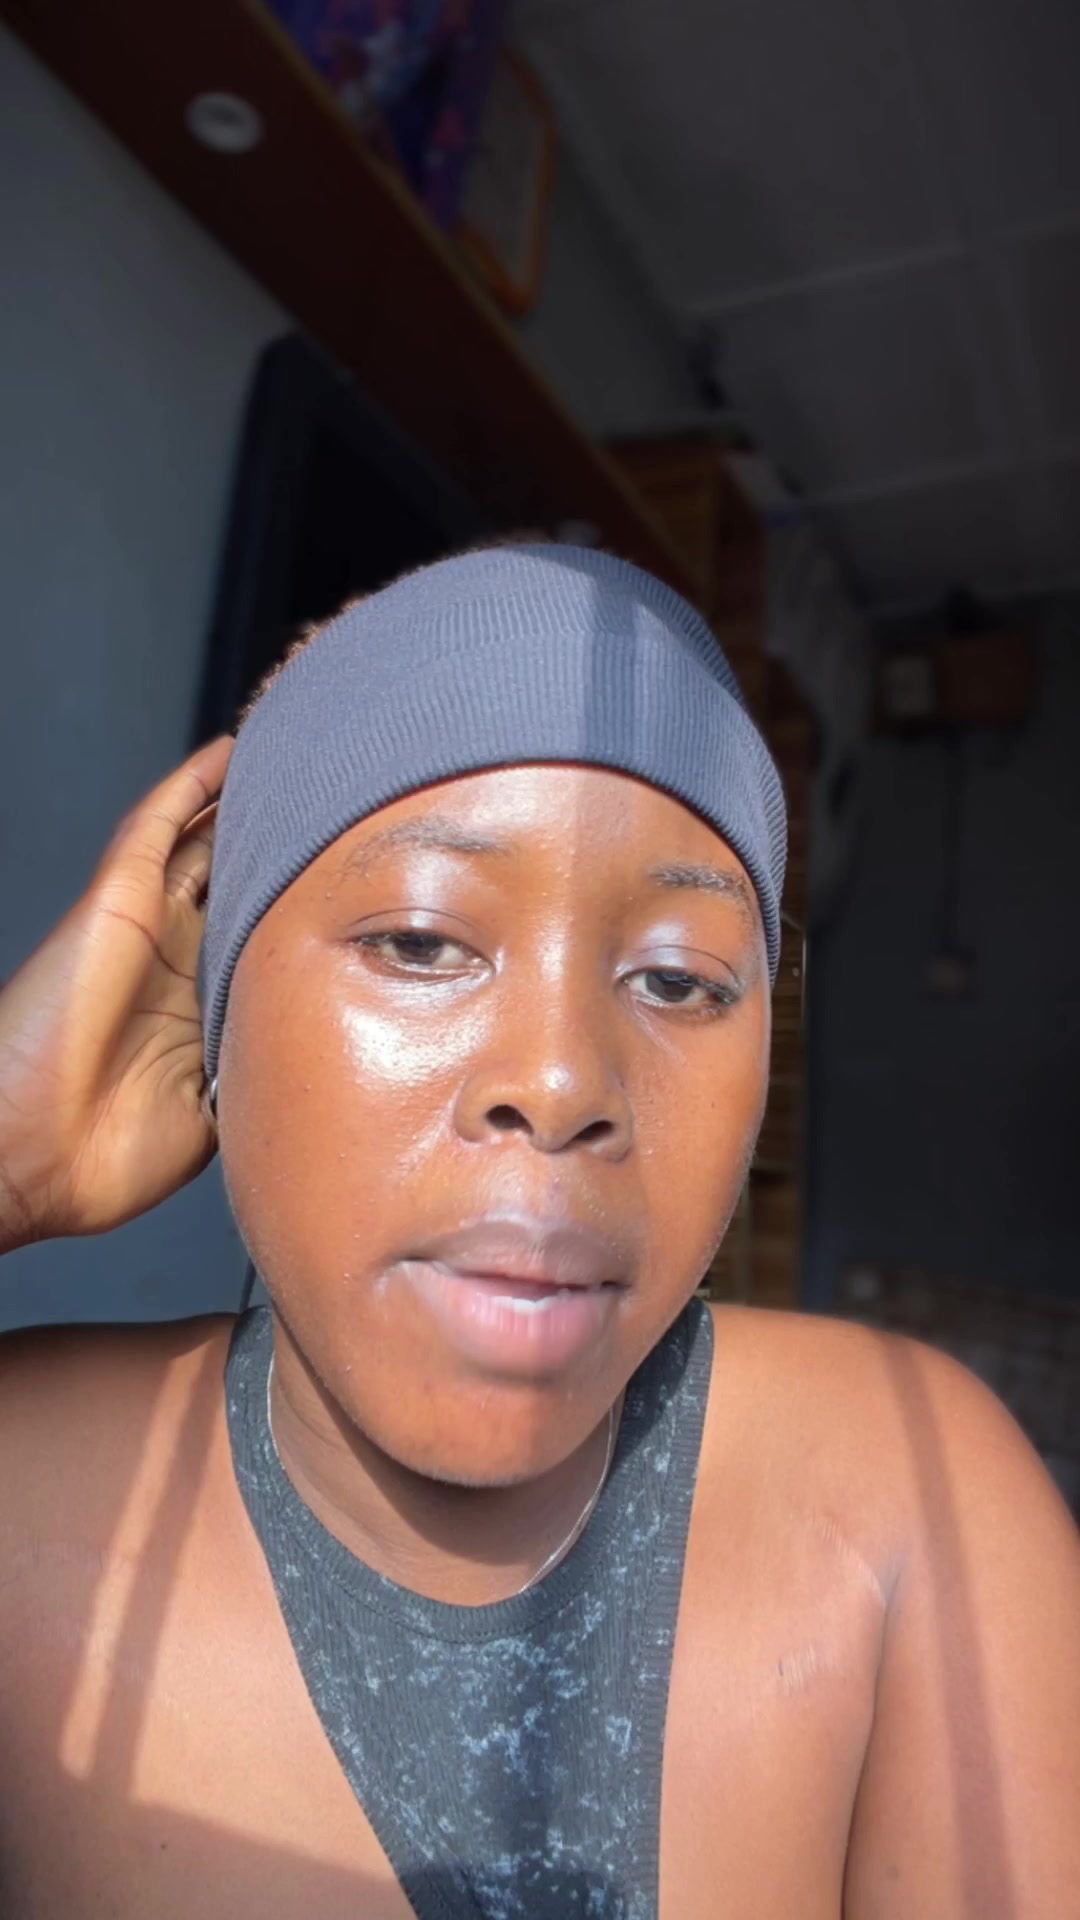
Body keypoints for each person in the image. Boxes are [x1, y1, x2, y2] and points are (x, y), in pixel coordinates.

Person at [0, 542, 1077, 1920]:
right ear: (219, 1003)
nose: (563, 1081)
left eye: (679, 980)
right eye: (421, 943)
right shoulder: (27, 1497)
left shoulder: (903, 1500)